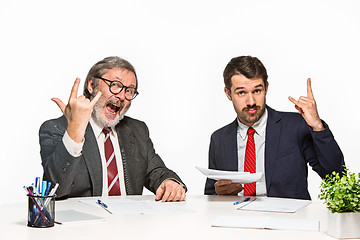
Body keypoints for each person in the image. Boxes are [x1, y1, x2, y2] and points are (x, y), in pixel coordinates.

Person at [40, 56, 186, 202]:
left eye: (129, 91)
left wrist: (169, 182)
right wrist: (74, 130)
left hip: (130, 221)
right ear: (91, 85)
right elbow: (55, 190)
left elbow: (156, 171)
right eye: (115, 85)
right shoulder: (56, 128)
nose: (122, 96)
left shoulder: (137, 130)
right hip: (85, 223)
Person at [204, 55, 344, 200]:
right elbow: (210, 195)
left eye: (257, 91)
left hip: (287, 219)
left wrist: (317, 126)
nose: (251, 101)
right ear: (228, 94)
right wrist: (219, 193)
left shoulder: (295, 127)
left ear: (266, 88)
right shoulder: (219, 139)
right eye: (241, 92)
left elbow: (336, 177)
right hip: (237, 217)